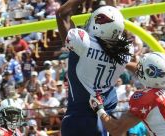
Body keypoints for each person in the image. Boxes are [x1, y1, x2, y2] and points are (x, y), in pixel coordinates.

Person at [56, 2, 136, 135]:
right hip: (102, 119)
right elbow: (115, 27)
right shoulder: (125, 52)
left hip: (77, 120)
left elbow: (61, 14)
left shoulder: (83, 43)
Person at [90, 52, 165, 136]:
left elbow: (116, 130)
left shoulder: (146, 99)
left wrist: (99, 109)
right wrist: (122, 62)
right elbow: (146, 72)